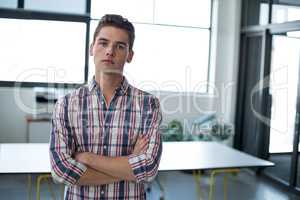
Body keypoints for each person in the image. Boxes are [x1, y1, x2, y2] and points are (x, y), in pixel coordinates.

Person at [49, 14, 163, 199]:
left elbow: (148, 169)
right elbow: (62, 170)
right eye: (103, 43)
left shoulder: (148, 105)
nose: (110, 51)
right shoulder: (66, 105)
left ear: (130, 55)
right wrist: (128, 166)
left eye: (120, 46)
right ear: (91, 48)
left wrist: (87, 158)